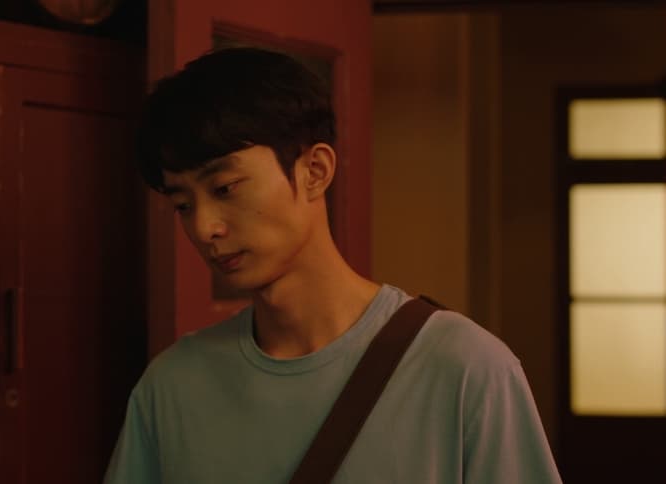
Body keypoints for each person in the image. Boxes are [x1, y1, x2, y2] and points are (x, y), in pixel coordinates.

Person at [104, 47, 562, 484]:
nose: (204, 227)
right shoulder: (172, 386)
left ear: (315, 171)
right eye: (183, 205)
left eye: (225, 188)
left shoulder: (464, 368)